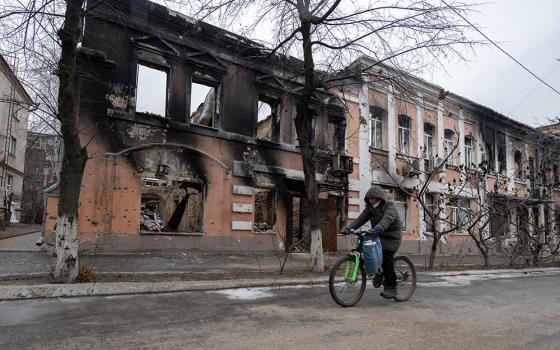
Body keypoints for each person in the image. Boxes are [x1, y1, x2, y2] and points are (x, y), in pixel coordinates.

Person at [342, 185, 403, 299]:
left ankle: (391, 287)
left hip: (391, 237)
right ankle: (378, 272)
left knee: (386, 258)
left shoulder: (390, 207)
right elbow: (360, 219)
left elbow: (387, 219)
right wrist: (349, 228)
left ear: (379, 197)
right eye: (369, 198)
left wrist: (378, 228)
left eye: (372, 198)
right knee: (369, 252)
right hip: (378, 235)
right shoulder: (370, 208)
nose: (370, 200)